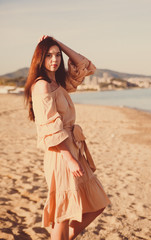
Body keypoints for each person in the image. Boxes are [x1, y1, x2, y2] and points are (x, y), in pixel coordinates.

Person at [24, 35, 110, 240]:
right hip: (60, 155)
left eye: (57, 55)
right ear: (40, 59)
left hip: (74, 149)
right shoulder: (41, 86)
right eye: (48, 55)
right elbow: (49, 127)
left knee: (98, 203)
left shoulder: (59, 82)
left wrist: (59, 43)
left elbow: (86, 66)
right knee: (63, 214)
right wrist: (69, 158)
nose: (54, 59)